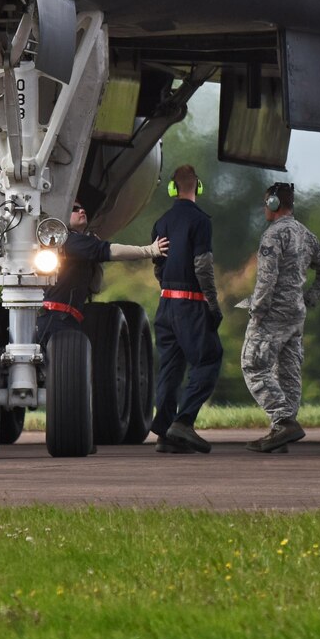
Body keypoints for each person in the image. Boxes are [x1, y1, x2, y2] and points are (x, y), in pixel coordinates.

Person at [240, 181, 320, 453]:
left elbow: (267, 278)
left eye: (266, 204)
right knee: (288, 374)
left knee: (253, 365)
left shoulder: (273, 235)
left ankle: (283, 421)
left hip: (273, 314)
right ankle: (281, 432)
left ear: (273, 203)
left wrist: (257, 310)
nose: (264, 209)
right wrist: (309, 299)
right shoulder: (306, 234)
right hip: (296, 315)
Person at [149, 163, 223, 454]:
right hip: (190, 304)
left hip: (165, 303)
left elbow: (157, 263)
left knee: (170, 368)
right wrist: (213, 303)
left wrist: (167, 289)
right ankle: (184, 421)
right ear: (198, 186)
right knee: (208, 359)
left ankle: (166, 435)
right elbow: (203, 265)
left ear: (172, 188)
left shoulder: (161, 222)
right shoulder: (201, 221)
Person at [31, 199, 167, 343]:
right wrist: (149, 250)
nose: (81, 211)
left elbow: (96, 286)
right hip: (57, 319)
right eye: (74, 209)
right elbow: (110, 251)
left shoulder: (77, 243)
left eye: (82, 208)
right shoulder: (72, 241)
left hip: (58, 318)